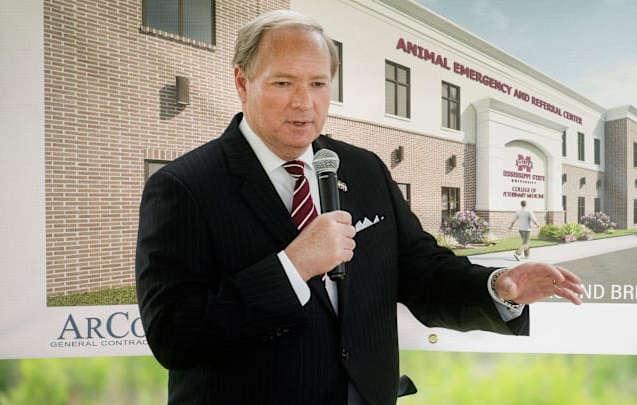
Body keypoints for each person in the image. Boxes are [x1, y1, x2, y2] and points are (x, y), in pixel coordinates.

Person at [135, 10, 583, 405]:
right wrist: (293, 266)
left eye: (317, 83)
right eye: (283, 83)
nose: (303, 102)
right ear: (242, 83)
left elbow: (421, 270)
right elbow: (175, 335)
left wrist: (497, 287)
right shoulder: (182, 187)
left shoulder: (363, 169)